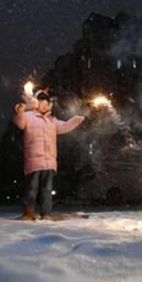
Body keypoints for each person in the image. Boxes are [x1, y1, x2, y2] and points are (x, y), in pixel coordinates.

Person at [13, 90, 85, 220]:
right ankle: (28, 214)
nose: (44, 106)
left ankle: (46, 214)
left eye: (46, 103)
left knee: (47, 190)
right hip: (33, 160)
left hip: (49, 161)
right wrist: (20, 111)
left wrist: (75, 120)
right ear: (35, 104)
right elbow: (20, 123)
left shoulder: (53, 120)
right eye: (41, 103)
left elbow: (64, 127)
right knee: (31, 189)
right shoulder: (28, 116)